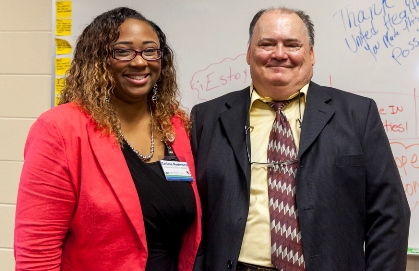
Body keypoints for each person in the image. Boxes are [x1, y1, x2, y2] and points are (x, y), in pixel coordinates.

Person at [191, 7, 410, 271]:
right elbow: (192, 214)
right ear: (249, 53)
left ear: (311, 54)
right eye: (267, 44)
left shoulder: (357, 114)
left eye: (292, 44)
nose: (279, 54)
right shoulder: (208, 118)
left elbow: (390, 214)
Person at [14, 7, 201, 271]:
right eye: (123, 51)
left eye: (150, 51)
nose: (139, 62)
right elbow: (36, 253)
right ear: (98, 61)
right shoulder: (60, 129)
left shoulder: (175, 124)